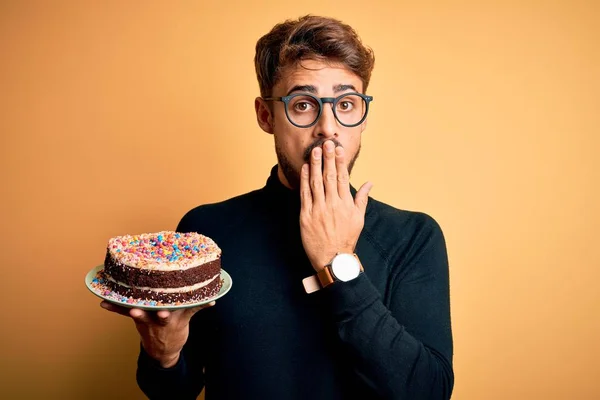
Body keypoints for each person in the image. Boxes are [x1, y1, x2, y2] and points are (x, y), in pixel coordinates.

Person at [101, 15, 454, 400]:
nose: (328, 127)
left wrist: (337, 262)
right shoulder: (206, 231)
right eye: (303, 104)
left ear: (362, 117)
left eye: (346, 103)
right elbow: (173, 391)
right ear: (266, 115)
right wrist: (162, 353)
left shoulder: (413, 237)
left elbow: (428, 392)